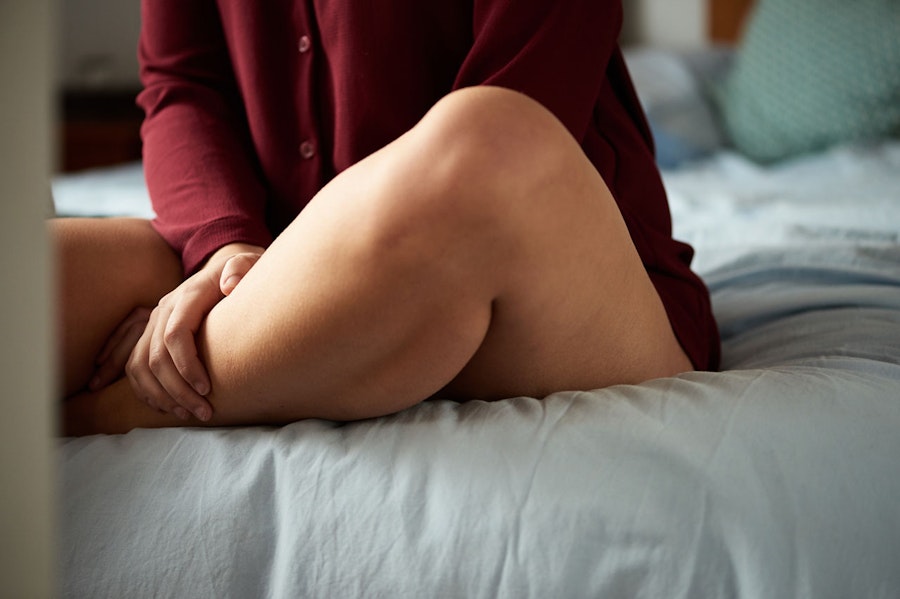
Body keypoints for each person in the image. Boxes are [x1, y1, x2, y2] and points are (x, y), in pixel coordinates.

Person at [57, 0, 720, 436]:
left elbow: (513, 126)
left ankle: (106, 415)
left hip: (551, 287)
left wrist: (257, 290)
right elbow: (180, 85)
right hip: (272, 258)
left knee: (487, 137)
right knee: (45, 277)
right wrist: (224, 251)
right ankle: (269, 346)